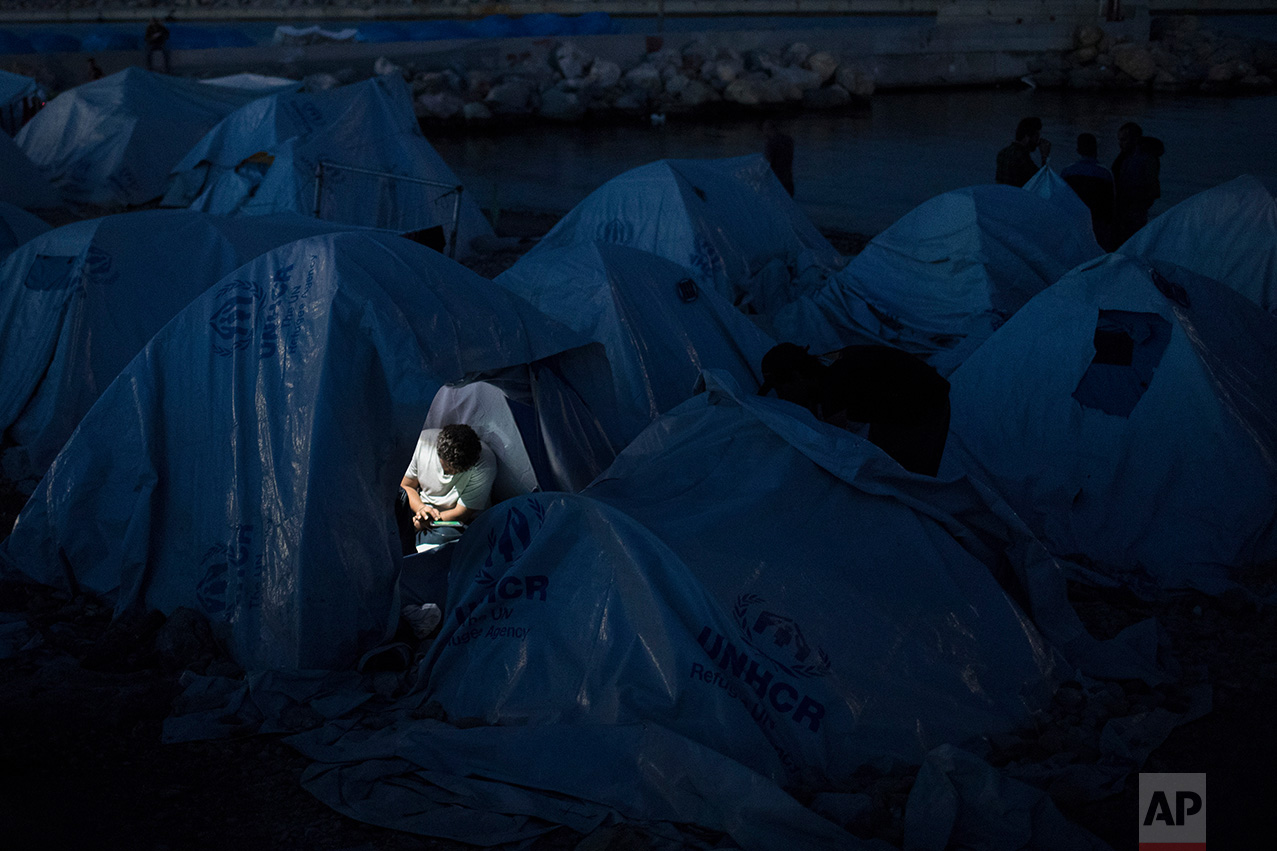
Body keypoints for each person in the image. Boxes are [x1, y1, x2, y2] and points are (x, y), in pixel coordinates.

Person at [757, 342, 951, 476]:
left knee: (905, 474)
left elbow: (833, 446)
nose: (782, 396)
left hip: (925, 403)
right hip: (907, 401)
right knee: (889, 463)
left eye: (782, 388)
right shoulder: (827, 367)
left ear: (797, 376)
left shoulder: (836, 385)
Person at [397, 423, 497, 554]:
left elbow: (462, 513)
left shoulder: (484, 464)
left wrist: (427, 522)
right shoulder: (423, 443)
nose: (451, 474)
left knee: (445, 540)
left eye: (458, 471)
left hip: (451, 522)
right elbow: (407, 486)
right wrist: (421, 510)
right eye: (447, 469)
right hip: (421, 510)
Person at [1060, 132, 1117, 251]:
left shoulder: (1067, 172)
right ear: (1095, 149)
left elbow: (1062, 200)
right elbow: (1110, 204)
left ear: (1078, 150)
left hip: (1075, 221)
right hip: (1098, 223)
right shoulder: (1105, 173)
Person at [1111, 122, 1162, 245]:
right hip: (1122, 209)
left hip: (1134, 211)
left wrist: (1139, 203)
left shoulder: (1146, 158)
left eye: (1124, 140)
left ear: (1135, 139)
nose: (1120, 143)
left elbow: (1153, 188)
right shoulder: (1124, 157)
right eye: (1119, 140)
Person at [995, 116, 1052, 188]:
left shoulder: (1002, 153)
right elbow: (1041, 181)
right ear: (1027, 137)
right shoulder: (1021, 157)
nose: (1037, 141)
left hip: (1004, 195)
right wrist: (1044, 156)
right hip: (1016, 196)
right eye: (1036, 137)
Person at [763, 119, 795, 197]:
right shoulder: (788, 140)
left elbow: (768, 162)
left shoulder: (771, 142)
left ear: (768, 129)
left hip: (776, 181)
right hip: (788, 181)